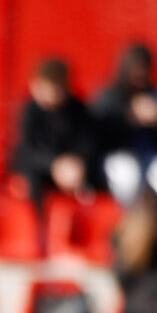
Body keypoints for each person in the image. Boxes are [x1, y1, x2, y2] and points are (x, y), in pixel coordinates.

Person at [92, 42, 157, 207]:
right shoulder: (109, 96)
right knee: (127, 178)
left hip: (150, 157)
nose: (140, 74)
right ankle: (130, 226)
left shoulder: (156, 95)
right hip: (117, 158)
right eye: (137, 68)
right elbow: (99, 136)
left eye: (145, 69)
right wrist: (129, 118)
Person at [10, 57, 99, 205]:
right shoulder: (29, 110)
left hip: (71, 170)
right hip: (39, 167)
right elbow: (25, 150)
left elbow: (88, 143)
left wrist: (77, 165)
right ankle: (39, 224)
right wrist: (54, 165)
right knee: (31, 181)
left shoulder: (78, 110)